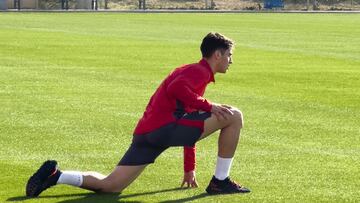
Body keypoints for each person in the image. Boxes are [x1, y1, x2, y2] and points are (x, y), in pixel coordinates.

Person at [25, 32, 250, 197]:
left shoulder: (191, 71)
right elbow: (178, 91)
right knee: (234, 115)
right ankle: (220, 181)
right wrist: (210, 106)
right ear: (218, 55)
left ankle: (56, 175)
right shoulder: (198, 71)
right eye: (229, 55)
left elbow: (189, 117)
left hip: (147, 133)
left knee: (112, 185)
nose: (231, 60)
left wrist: (189, 167)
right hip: (165, 129)